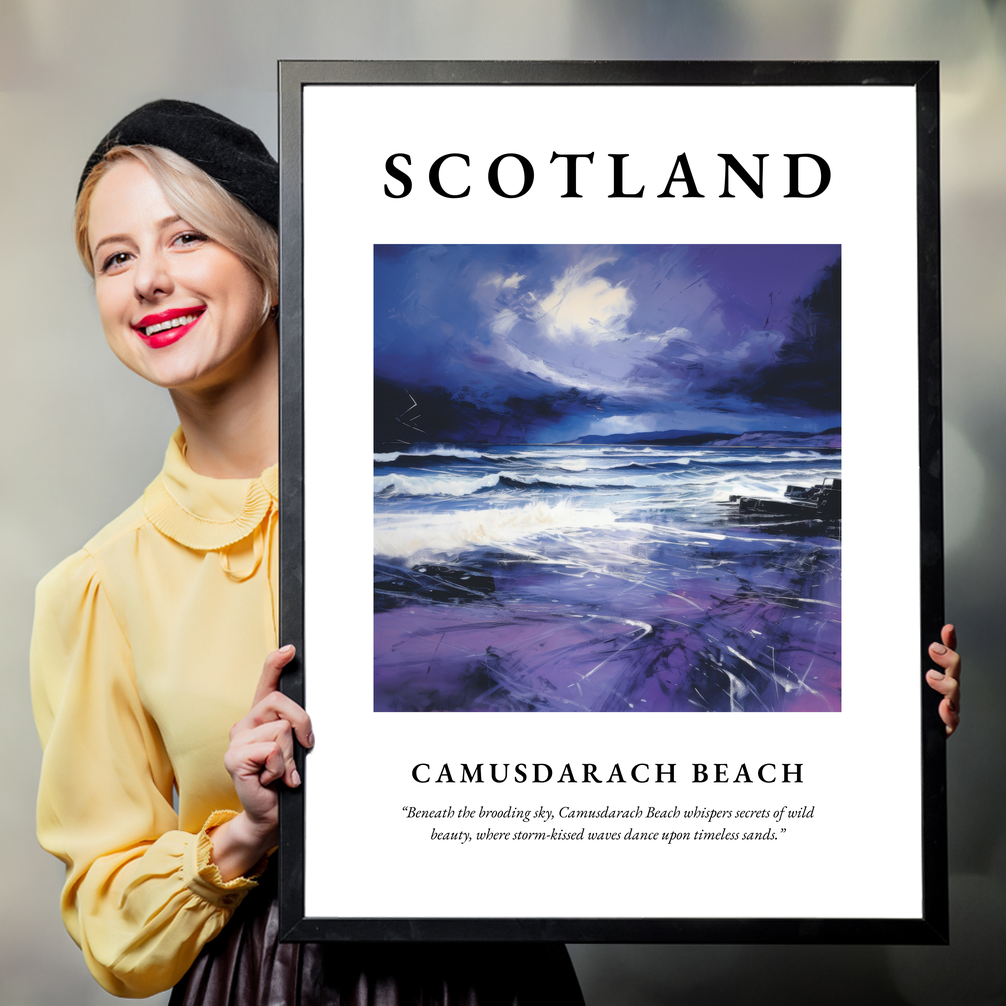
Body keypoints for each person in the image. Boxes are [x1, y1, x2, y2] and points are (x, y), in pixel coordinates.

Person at [30, 100, 585, 1004]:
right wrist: (245, 832)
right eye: (116, 257)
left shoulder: (464, 500)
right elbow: (110, 924)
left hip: (493, 972)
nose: (148, 281)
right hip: (264, 981)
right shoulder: (98, 587)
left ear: (273, 264)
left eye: (186, 239)